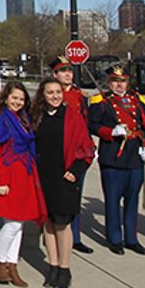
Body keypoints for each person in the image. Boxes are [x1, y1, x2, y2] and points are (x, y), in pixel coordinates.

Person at [0, 81, 46, 288]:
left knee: (20, 224)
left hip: (23, 175)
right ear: (6, 98)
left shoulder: (23, 119)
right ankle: (0, 263)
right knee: (12, 223)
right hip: (8, 176)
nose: (17, 102)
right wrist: (1, 179)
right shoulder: (3, 121)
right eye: (14, 97)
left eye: (21, 99)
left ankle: (12, 264)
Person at [30, 76, 95, 288]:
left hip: (64, 176)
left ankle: (65, 268)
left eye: (58, 92)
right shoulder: (37, 117)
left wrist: (75, 171)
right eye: (50, 93)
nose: (55, 96)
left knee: (62, 223)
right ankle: (53, 266)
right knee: (48, 223)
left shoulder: (72, 117)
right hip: (43, 177)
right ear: (43, 95)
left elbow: (87, 148)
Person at [88, 64, 145, 255]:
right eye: (115, 81)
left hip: (134, 154)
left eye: (122, 81)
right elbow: (93, 125)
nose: (119, 85)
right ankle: (115, 238)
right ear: (109, 83)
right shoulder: (100, 101)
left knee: (132, 199)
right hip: (113, 155)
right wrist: (110, 132)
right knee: (113, 199)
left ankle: (131, 238)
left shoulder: (137, 100)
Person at [49, 55, 94, 255]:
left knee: (74, 195)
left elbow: (85, 124)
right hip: (56, 154)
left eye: (69, 71)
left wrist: (89, 147)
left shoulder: (80, 97)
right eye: (63, 71)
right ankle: (50, 233)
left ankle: (74, 236)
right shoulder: (50, 95)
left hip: (76, 154)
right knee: (54, 198)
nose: (68, 74)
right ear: (55, 74)